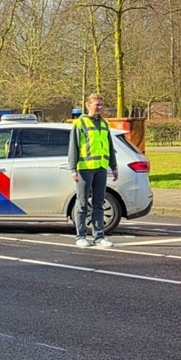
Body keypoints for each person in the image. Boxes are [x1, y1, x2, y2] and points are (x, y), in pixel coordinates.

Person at [68, 93, 118, 248]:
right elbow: (73, 147)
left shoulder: (104, 124)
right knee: (82, 203)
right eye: (97, 104)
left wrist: (113, 166)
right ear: (88, 105)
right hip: (84, 168)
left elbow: (109, 146)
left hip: (101, 168)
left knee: (98, 203)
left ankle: (99, 237)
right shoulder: (80, 123)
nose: (100, 107)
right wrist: (73, 168)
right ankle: (80, 236)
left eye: (101, 104)